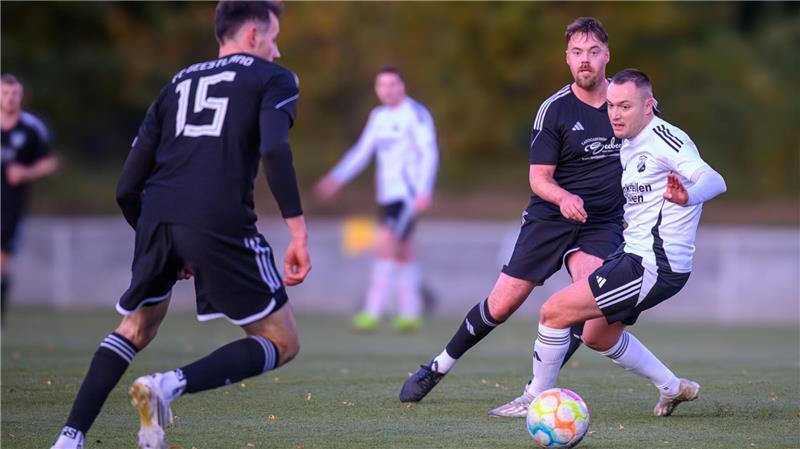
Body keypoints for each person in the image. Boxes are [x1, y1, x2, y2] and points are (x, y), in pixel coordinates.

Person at [50, 2, 311, 448]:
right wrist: (298, 232)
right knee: (282, 341)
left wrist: (164, 237)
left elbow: (126, 186)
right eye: (273, 38)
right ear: (252, 36)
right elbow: (274, 150)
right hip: (218, 216)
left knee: (135, 328)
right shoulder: (274, 78)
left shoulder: (176, 82)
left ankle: (68, 439)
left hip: (156, 213)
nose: (277, 50)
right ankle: (167, 385)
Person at [400, 18, 677, 418]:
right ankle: (438, 366)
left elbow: (658, 150)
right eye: (577, 53)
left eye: (593, 52)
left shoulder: (629, 102)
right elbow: (539, 179)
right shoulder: (554, 110)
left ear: (607, 55)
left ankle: (538, 393)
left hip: (602, 223)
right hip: (550, 218)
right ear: (567, 58)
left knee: (586, 303)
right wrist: (564, 197)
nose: (585, 60)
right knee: (501, 305)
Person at [530, 68, 726, 417]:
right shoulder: (629, 144)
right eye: (611, 106)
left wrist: (688, 197)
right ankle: (673, 388)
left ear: (648, 106)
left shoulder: (665, 139)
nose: (615, 115)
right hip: (633, 255)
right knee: (597, 336)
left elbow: (714, 179)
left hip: (654, 264)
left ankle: (534, 401)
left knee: (553, 312)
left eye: (625, 106)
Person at [314, 66, 438, 332]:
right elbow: (362, 152)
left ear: (402, 86)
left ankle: (373, 310)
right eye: (382, 85)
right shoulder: (378, 116)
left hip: (407, 194)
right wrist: (336, 178)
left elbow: (429, 152)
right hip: (387, 194)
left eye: (392, 84)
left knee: (385, 245)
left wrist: (424, 190)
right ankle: (410, 313)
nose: (387, 90)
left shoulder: (415, 114)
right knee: (403, 251)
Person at [1, 73, 59, 323]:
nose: (10, 98)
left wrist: (26, 172)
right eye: (5, 93)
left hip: (10, 206)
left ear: (21, 96)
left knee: (2, 261)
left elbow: (50, 162)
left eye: (14, 93)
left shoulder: (32, 128)